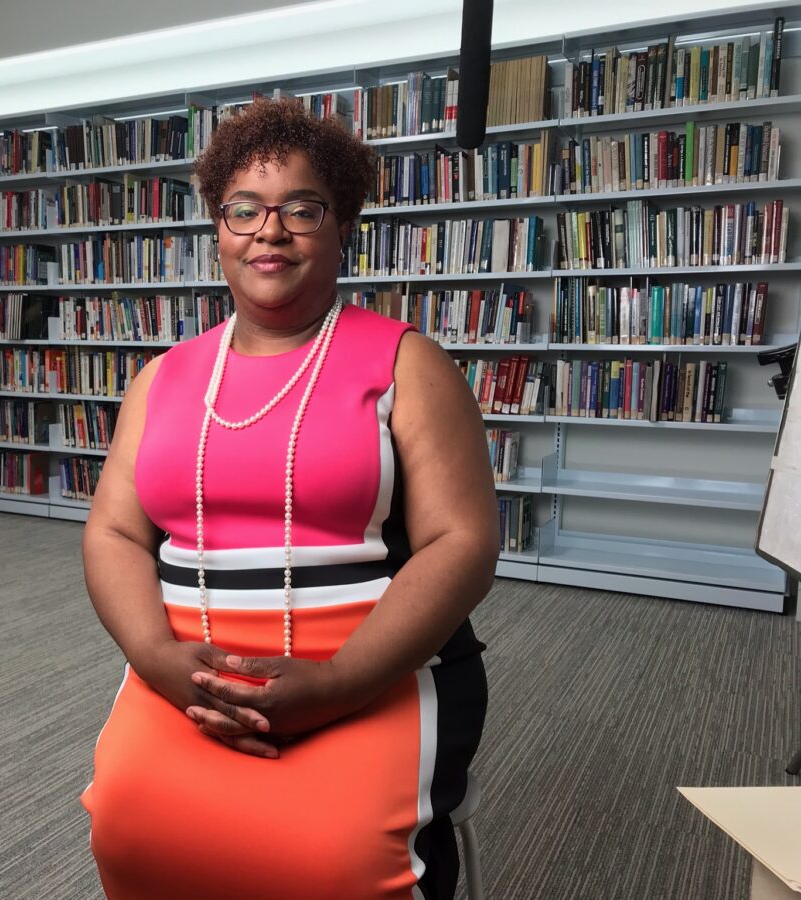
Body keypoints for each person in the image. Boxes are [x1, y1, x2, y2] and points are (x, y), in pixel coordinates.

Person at [81, 97, 498, 899]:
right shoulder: (161, 379)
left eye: (301, 209)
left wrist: (337, 683)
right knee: (130, 832)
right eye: (244, 210)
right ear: (218, 228)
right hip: (186, 673)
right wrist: (156, 660)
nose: (268, 232)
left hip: (367, 667)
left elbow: (464, 543)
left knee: (329, 866)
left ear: (342, 228)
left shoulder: (410, 364)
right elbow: (113, 533)